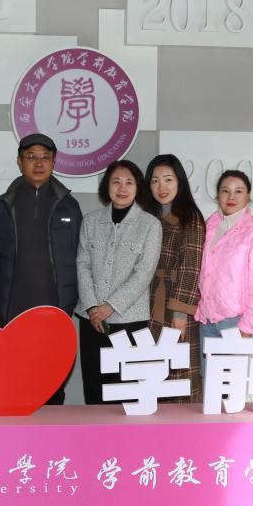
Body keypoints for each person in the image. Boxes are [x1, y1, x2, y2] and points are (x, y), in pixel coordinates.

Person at [0, 133, 83, 404]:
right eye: (31, 157)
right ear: (19, 162)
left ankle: (53, 433)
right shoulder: (1, 206)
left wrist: (70, 303)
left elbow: (82, 257)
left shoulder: (69, 206)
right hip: (10, 312)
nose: (39, 163)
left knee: (52, 386)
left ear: (54, 162)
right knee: (13, 387)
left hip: (54, 312)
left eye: (45, 157)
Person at [76, 159, 162, 405]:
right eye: (116, 182)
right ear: (107, 186)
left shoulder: (150, 225)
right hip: (92, 320)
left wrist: (111, 306)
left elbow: (144, 274)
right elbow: (82, 264)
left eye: (129, 182)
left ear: (138, 188)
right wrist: (93, 307)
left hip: (129, 320)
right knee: (95, 387)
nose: (122, 188)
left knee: (126, 392)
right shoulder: (91, 221)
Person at [195, 170, 253, 367]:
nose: (231, 197)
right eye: (225, 191)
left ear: (248, 196)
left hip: (238, 324)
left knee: (238, 383)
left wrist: (248, 327)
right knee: (211, 383)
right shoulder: (208, 227)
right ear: (218, 195)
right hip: (207, 321)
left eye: (238, 191)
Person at [145, 154, 205, 403]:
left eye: (168, 179)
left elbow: (191, 266)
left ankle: (184, 426)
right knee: (153, 372)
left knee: (180, 372)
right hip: (150, 302)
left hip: (176, 305)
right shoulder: (149, 217)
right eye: (155, 180)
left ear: (180, 181)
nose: (162, 186)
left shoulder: (190, 218)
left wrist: (180, 312)